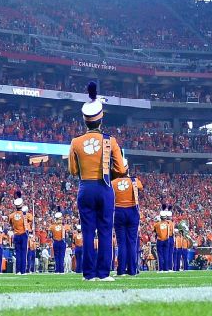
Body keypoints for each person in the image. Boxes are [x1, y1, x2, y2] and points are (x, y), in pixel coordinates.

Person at [68, 81, 127, 281]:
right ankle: (103, 274)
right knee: (104, 230)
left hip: (85, 187)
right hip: (104, 187)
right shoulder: (110, 141)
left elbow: (72, 170)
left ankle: (88, 274)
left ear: (85, 121)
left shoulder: (75, 142)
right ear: (101, 119)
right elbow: (121, 169)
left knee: (87, 231)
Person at [111, 169, 141, 277]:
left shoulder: (112, 183)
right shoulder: (134, 180)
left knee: (121, 243)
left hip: (118, 211)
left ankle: (121, 270)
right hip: (132, 211)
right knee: (132, 242)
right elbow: (140, 188)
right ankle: (132, 270)